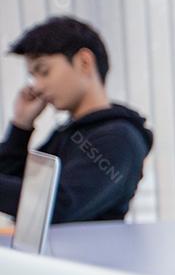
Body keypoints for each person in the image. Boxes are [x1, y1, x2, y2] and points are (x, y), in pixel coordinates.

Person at [0, 16, 153, 223]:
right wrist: (21, 125)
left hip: (85, 255)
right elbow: (16, 185)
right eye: (33, 76)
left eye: (44, 71)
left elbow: (59, 205)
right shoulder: (69, 133)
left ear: (84, 62)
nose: (37, 86)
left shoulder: (118, 138)